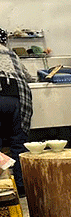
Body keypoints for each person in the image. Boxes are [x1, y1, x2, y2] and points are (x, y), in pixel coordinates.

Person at [0, 28, 34, 196]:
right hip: (18, 98)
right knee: (18, 144)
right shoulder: (11, 54)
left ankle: (3, 188)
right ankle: (22, 187)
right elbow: (28, 77)